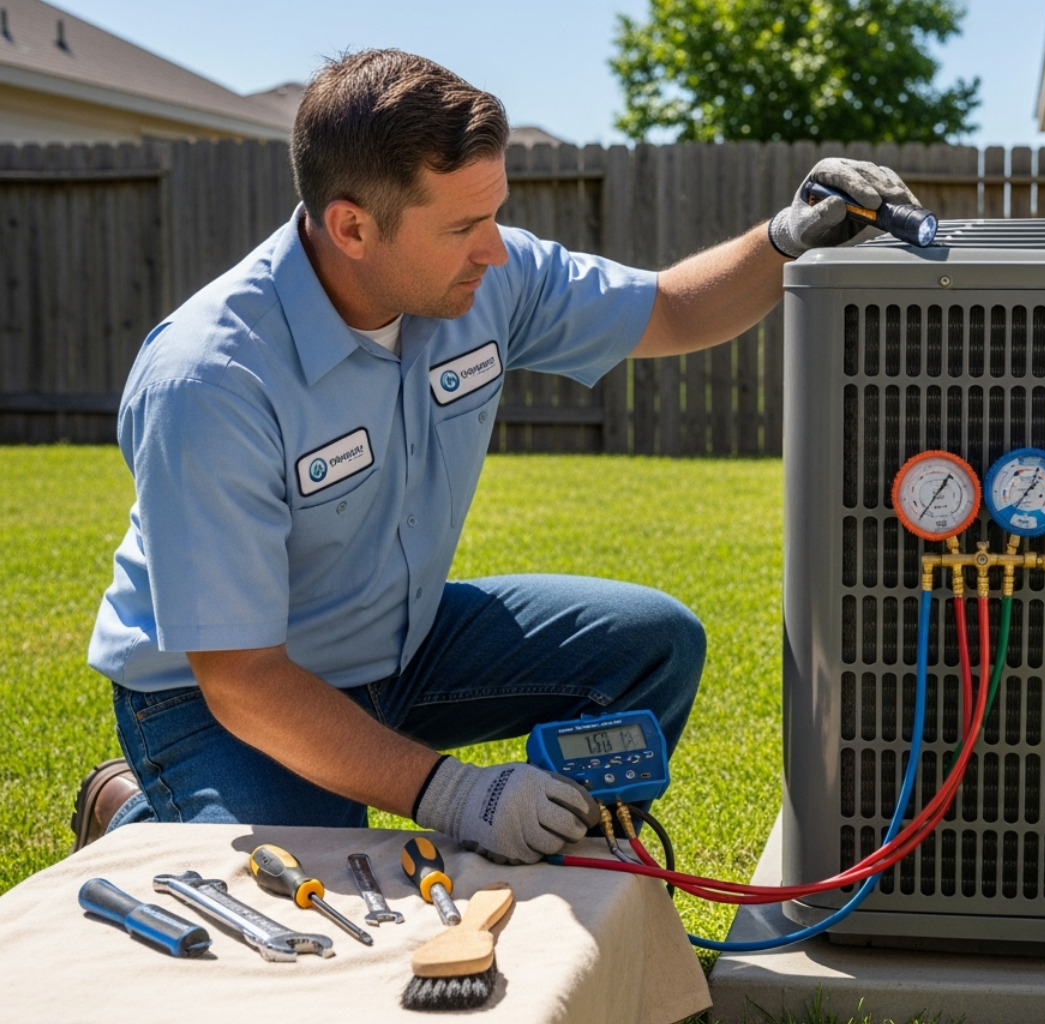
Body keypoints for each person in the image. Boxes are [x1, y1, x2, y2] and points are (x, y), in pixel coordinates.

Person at [71, 48, 922, 866]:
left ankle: (568, 859)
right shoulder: (212, 379)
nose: (494, 247)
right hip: (220, 699)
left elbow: (669, 309)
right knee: (318, 892)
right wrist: (456, 794)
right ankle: (137, 810)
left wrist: (784, 238)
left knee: (653, 644)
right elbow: (243, 678)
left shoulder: (489, 278)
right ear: (352, 226)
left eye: (494, 214)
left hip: (403, 644)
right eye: (463, 226)